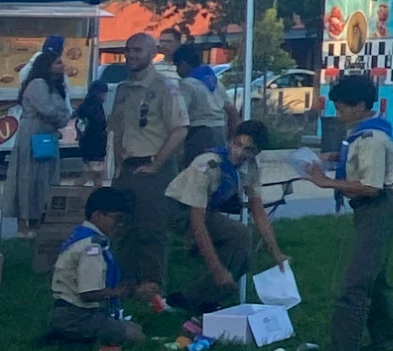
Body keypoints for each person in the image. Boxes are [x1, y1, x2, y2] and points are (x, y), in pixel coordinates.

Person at [300, 72, 393, 351]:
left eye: (342, 108)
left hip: (376, 210)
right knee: (375, 281)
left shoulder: (371, 139)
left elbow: (369, 187)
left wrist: (325, 182)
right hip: (370, 212)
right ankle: (387, 342)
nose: (338, 114)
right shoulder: (362, 133)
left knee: (353, 287)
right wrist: (335, 160)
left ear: (359, 105)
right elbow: (358, 164)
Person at [164, 118, 283, 313]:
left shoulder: (250, 166)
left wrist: (275, 251)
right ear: (230, 140)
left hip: (208, 209)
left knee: (243, 245)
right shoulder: (207, 164)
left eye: (248, 149)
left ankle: (204, 298)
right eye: (237, 144)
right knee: (237, 233)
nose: (239, 152)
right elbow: (197, 222)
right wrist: (217, 269)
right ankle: (190, 298)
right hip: (179, 209)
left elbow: (257, 209)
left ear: (256, 152)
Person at [108, 32, 187, 296]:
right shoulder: (122, 89)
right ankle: (127, 283)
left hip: (154, 169)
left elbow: (179, 129)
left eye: (137, 50)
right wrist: (117, 165)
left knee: (152, 230)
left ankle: (153, 288)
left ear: (152, 53)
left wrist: (156, 164)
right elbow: (117, 130)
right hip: (127, 169)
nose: (130, 55)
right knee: (124, 229)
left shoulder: (165, 88)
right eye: (128, 50)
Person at [47, 186, 144, 346]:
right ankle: (75, 339)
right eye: (116, 219)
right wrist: (120, 292)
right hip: (77, 315)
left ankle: (70, 336)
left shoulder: (81, 235)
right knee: (136, 336)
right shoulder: (91, 248)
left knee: (134, 326)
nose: (119, 225)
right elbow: (88, 293)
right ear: (98, 215)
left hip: (64, 311)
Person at [8, 46, 73, 228]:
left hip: (48, 134)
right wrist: (60, 116)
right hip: (34, 134)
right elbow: (48, 110)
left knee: (46, 176)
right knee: (30, 176)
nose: (62, 65)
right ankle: (26, 216)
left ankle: (43, 213)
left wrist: (60, 116)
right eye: (58, 62)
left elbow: (65, 113)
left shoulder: (56, 87)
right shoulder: (38, 84)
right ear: (47, 66)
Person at [174, 42, 229, 161]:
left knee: (197, 172)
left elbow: (180, 114)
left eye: (176, 66)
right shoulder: (216, 82)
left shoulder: (187, 83)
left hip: (199, 134)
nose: (177, 71)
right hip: (220, 132)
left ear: (183, 64)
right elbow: (232, 111)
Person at [74, 79, 111, 183]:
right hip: (96, 145)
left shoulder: (84, 106)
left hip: (85, 144)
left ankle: (77, 194)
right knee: (97, 176)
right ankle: (93, 196)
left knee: (88, 174)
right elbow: (99, 125)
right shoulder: (96, 107)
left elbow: (80, 124)